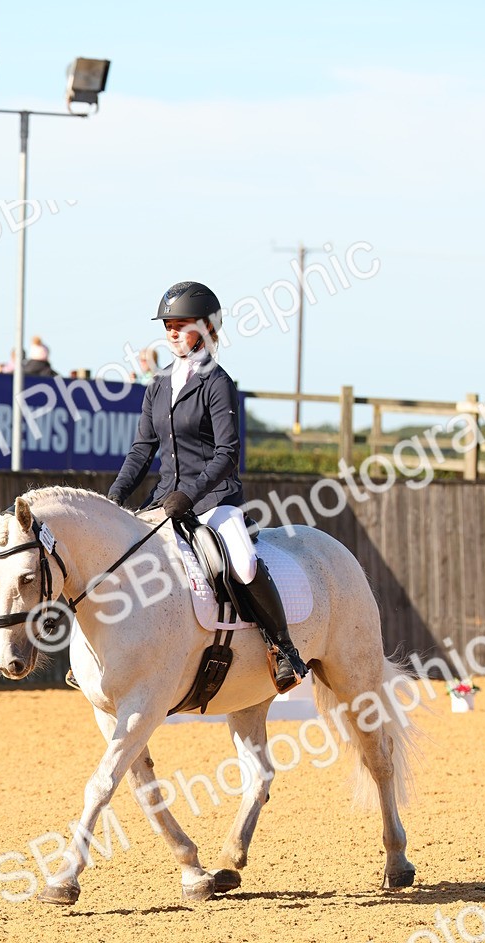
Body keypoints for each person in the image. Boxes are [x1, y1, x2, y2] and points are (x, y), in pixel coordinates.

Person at [107, 280, 309, 692]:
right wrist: (114, 497)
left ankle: (282, 648)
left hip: (214, 500)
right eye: (168, 326)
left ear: (207, 326)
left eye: (181, 325)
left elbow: (226, 453)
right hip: (165, 500)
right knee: (115, 556)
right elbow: (141, 450)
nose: (172, 333)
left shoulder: (217, 382)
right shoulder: (159, 385)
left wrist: (190, 496)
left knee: (243, 563)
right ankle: (105, 656)